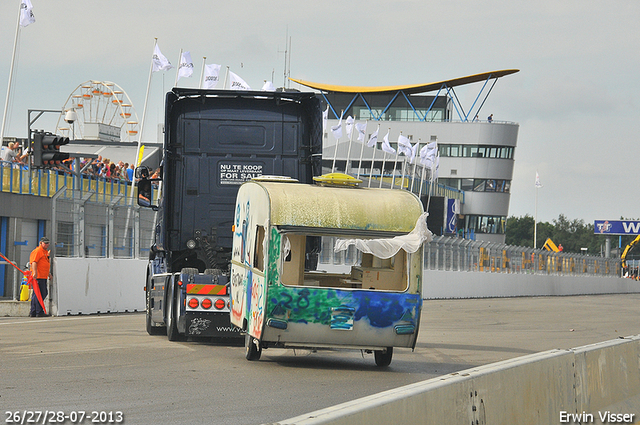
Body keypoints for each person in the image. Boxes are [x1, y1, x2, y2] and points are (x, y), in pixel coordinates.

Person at [29, 237, 51, 317]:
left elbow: (45, 264)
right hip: (39, 276)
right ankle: (38, 311)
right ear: (40, 243)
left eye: (48, 243)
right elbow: (34, 262)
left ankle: (34, 311)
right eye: (45, 243)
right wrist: (34, 272)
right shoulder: (38, 251)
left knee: (37, 294)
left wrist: (48, 274)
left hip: (43, 276)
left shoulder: (45, 252)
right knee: (42, 293)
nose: (47, 244)